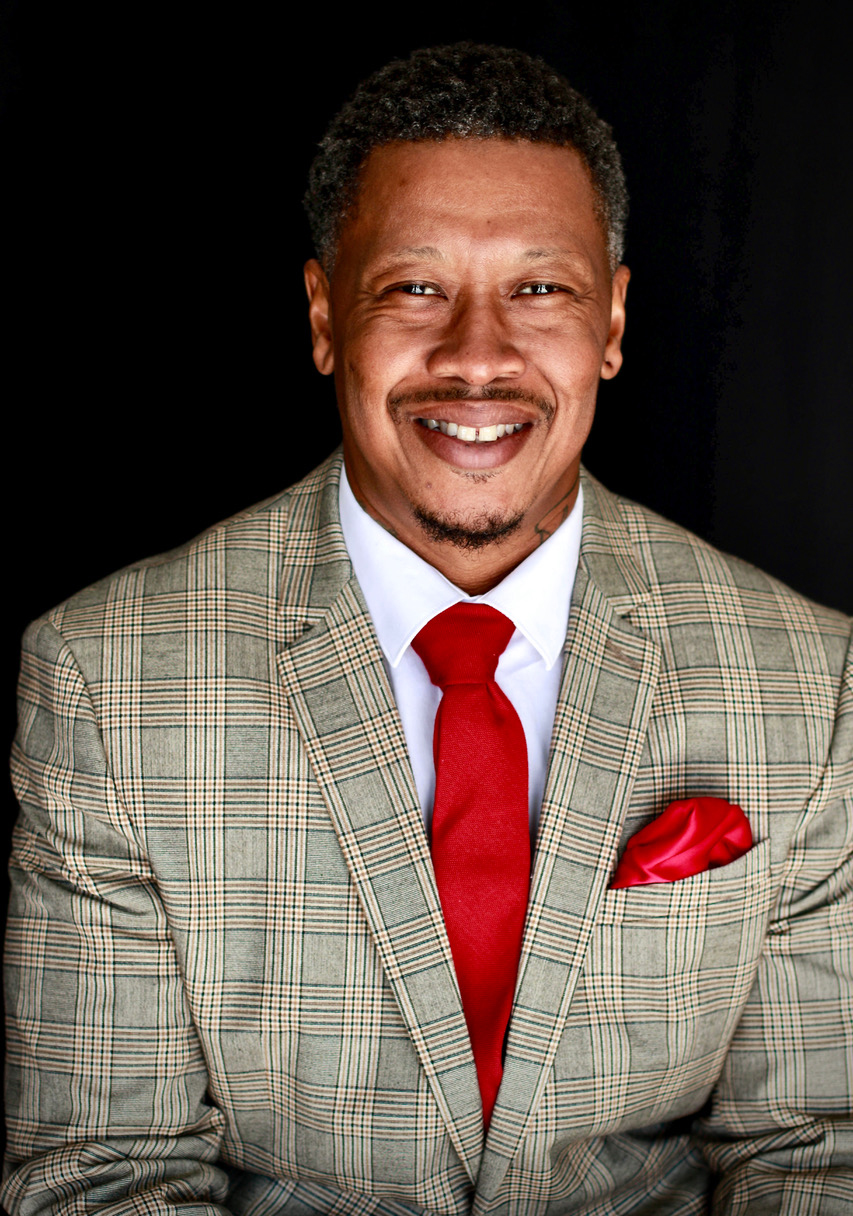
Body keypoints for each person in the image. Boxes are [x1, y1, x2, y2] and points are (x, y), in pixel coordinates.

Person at [3, 42, 851, 1216]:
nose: (477, 357)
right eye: (413, 287)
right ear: (322, 316)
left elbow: (813, 1151)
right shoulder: (107, 680)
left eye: (539, 289)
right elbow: (104, 1171)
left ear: (611, 321)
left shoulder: (809, 681)